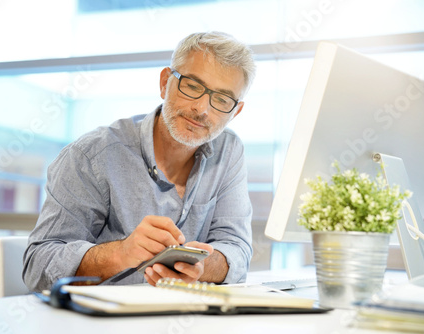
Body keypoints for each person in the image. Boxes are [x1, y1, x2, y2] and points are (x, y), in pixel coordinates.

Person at [23, 31, 256, 292]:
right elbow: (37, 267)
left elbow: (236, 248)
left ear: (235, 111)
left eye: (222, 100)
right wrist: (120, 253)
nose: (202, 109)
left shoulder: (229, 150)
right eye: (192, 86)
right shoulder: (91, 156)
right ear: (165, 83)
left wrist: (201, 267)